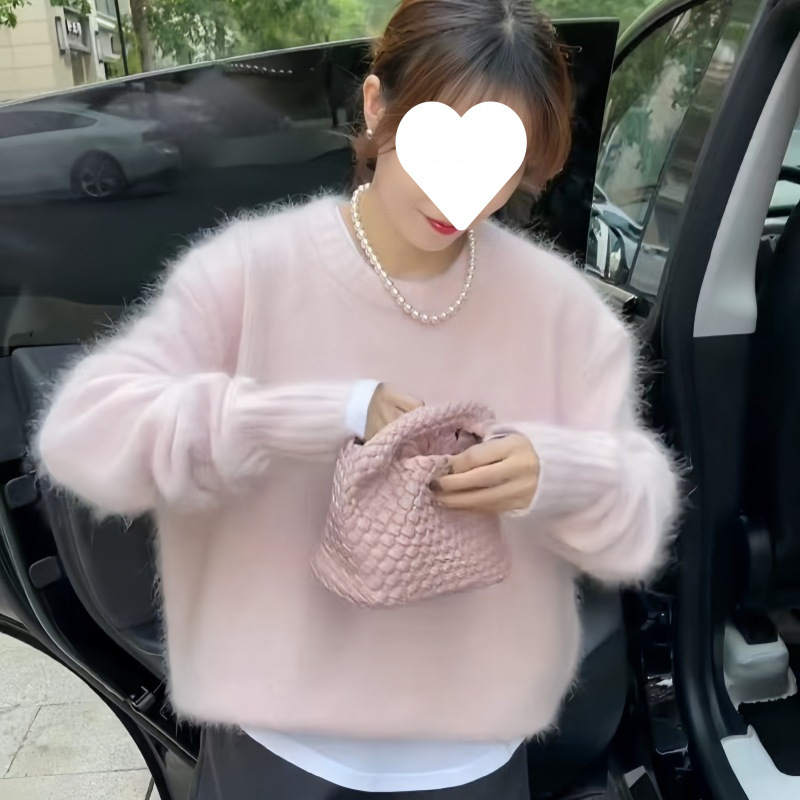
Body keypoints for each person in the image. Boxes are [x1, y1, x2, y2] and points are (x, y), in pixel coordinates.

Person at [33, 0, 682, 797]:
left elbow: (642, 502)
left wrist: (557, 472)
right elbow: (86, 433)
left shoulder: (553, 308)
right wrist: (321, 412)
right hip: (282, 752)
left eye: (499, 164)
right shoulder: (255, 273)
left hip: (472, 760)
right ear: (377, 106)